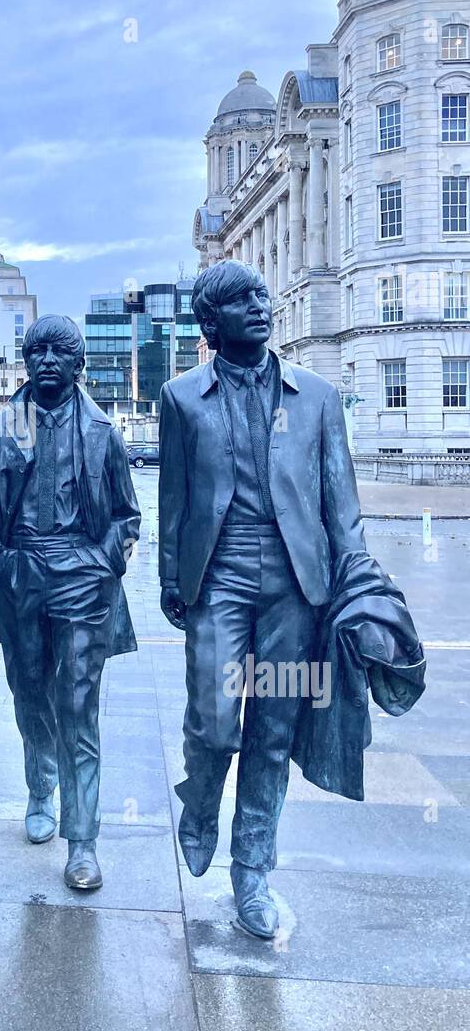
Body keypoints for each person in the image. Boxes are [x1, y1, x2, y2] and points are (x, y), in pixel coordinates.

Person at [158, 261, 366, 937]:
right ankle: (199, 800)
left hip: (294, 588)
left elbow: (342, 503)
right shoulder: (182, 397)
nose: (261, 304)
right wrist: (170, 578)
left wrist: (354, 579)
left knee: (271, 733)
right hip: (217, 580)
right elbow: (174, 499)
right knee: (215, 722)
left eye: (261, 295)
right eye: (241, 299)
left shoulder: (316, 397)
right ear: (209, 321)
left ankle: (252, 871)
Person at [0, 315, 141, 891]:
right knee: (29, 692)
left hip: (82, 576)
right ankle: (40, 787)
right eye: (36, 350)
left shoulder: (103, 433)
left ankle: (83, 839)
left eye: (58, 351)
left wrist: (103, 561)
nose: (46, 360)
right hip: (20, 572)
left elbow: (126, 514)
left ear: (77, 363)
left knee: (78, 705)